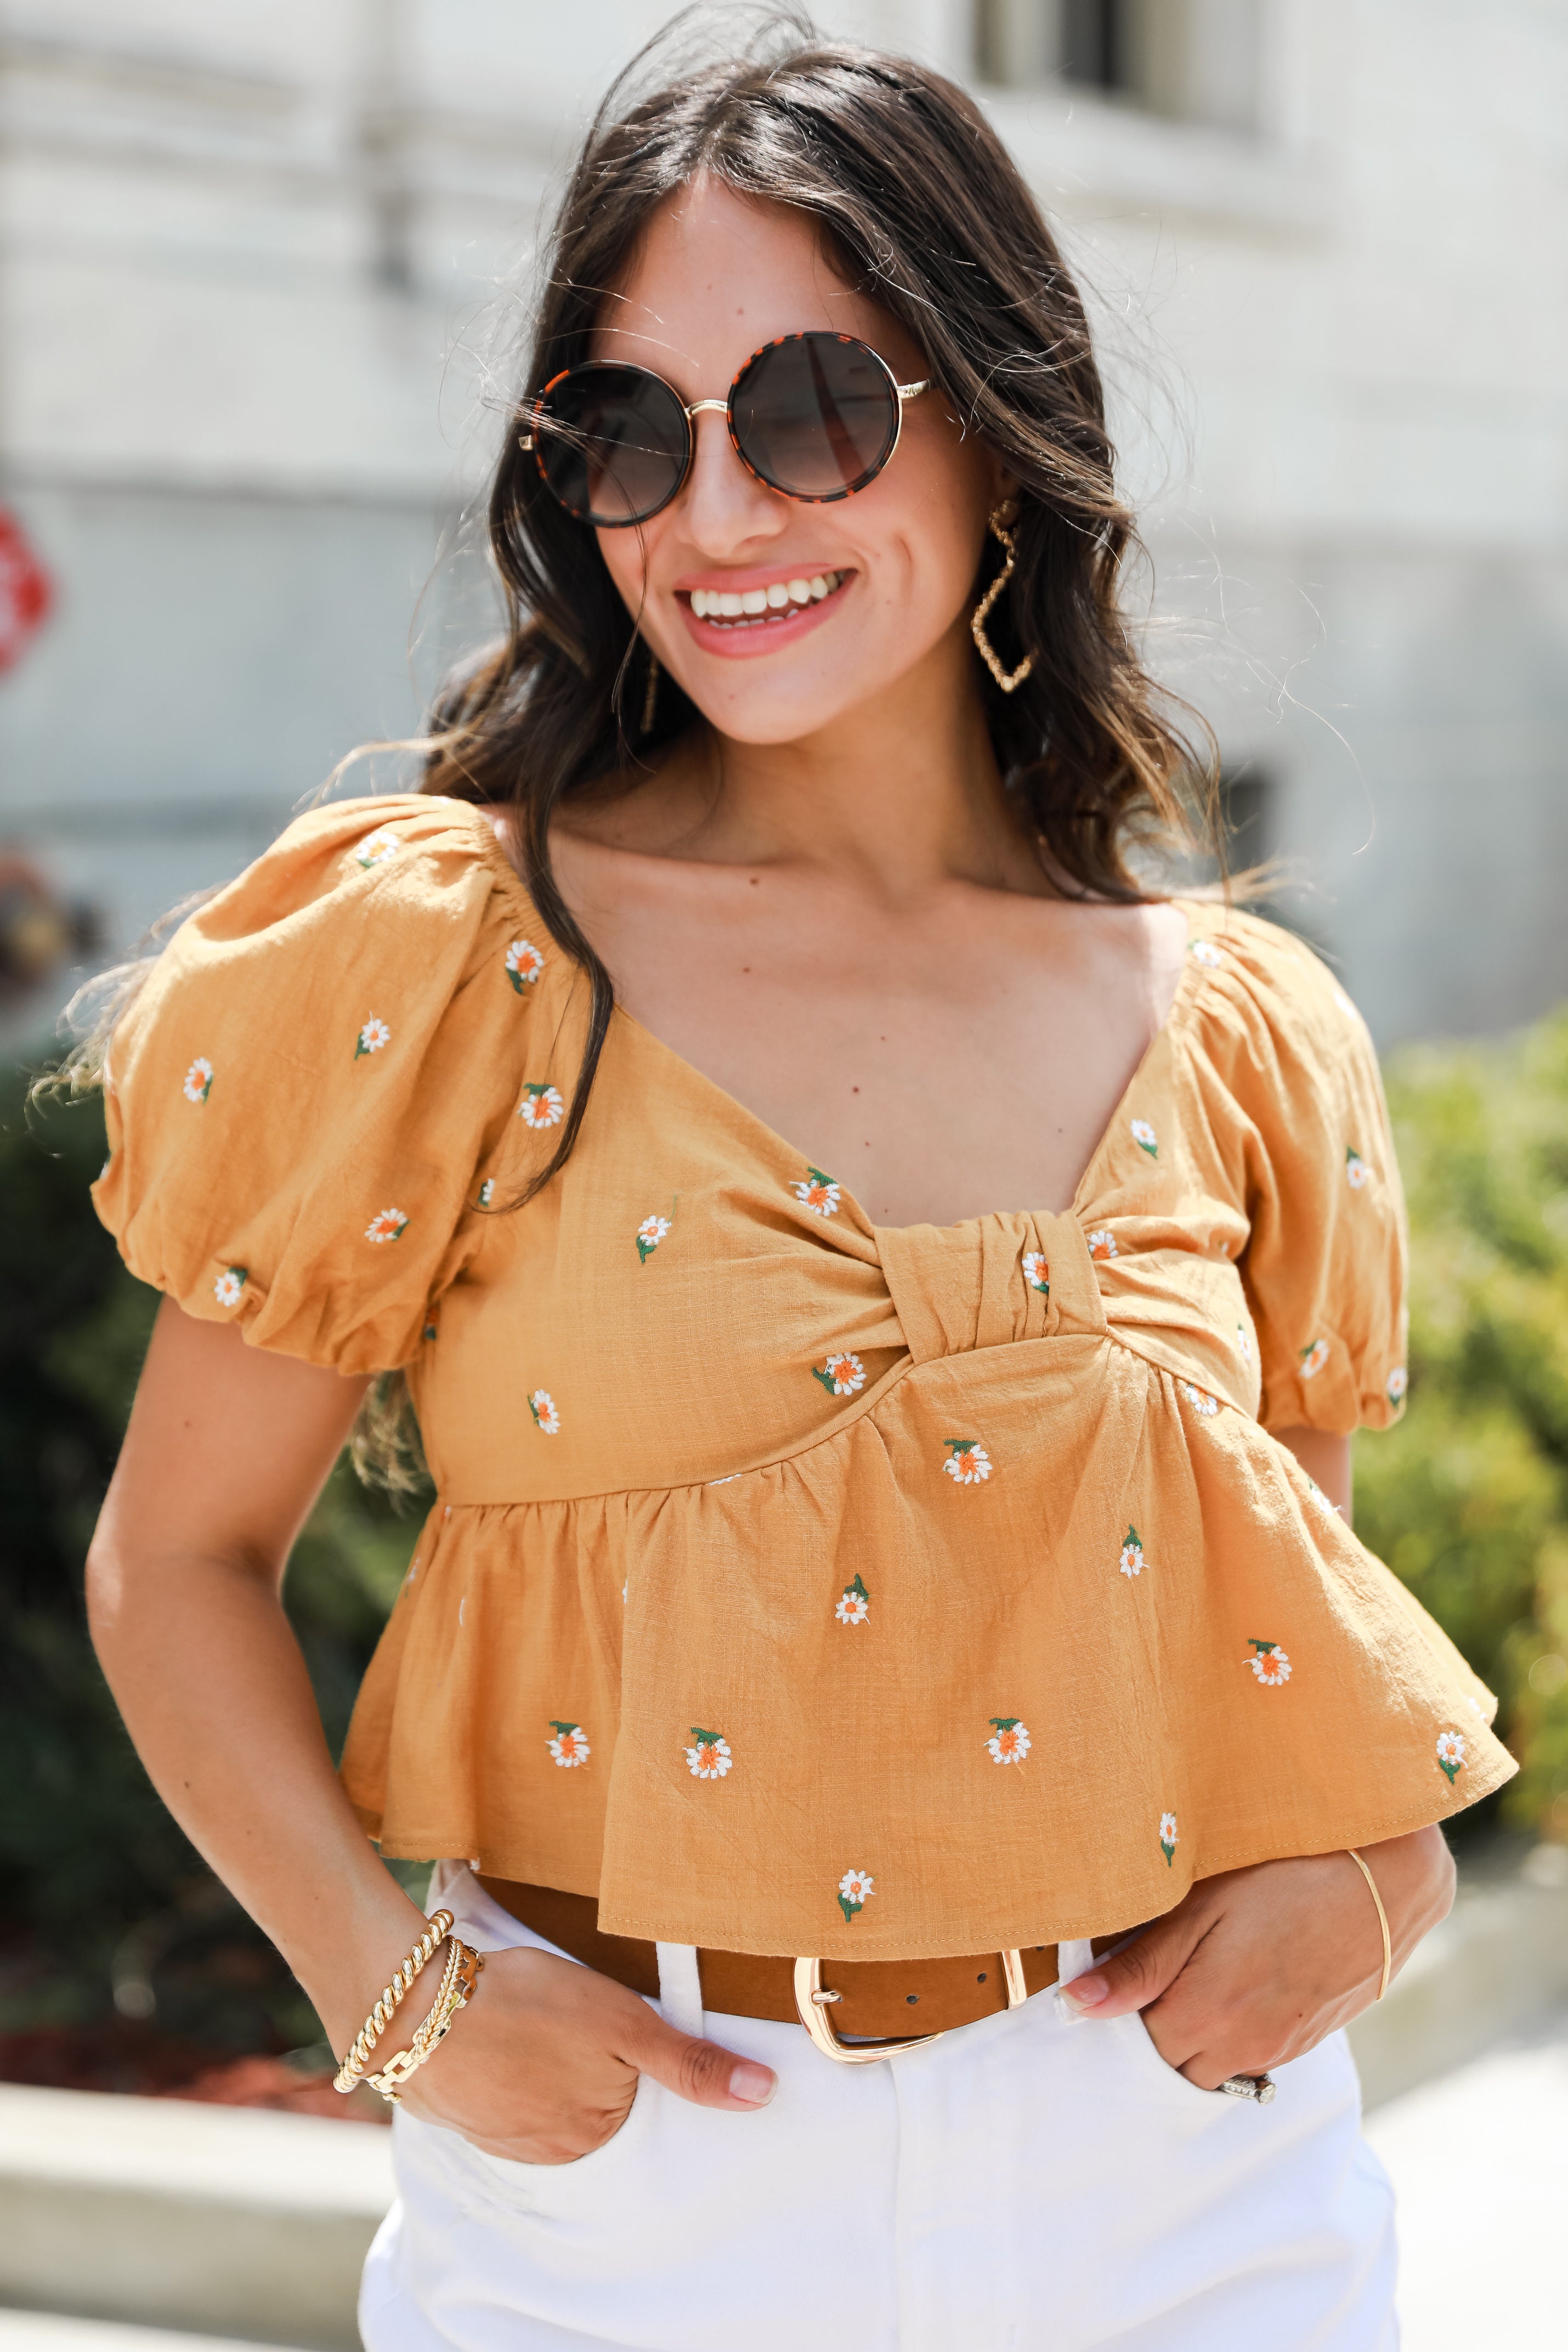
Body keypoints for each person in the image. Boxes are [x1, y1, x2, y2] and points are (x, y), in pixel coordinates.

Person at [81, 28, 1512, 2352]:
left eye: (814, 407)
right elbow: (175, 1559)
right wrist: (401, 2000)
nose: (717, 513)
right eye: (628, 433)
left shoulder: (1246, 1026)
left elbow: (1290, 1664)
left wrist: (1374, 1887)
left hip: (1191, 2194)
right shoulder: (448, 959)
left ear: (988, 415)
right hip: (637, 2196)